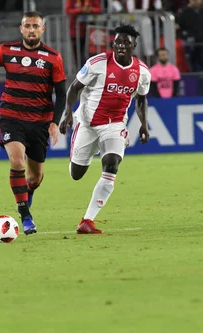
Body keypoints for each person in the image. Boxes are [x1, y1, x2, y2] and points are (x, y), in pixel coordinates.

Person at [0, 11, 67, 234]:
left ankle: (27, 193)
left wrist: (55, 122)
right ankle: (25, 215)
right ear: (21, 28)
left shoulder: (53, 57)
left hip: (39, 122)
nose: (32, 29)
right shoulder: (6, 50)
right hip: (11, 117)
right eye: (28, 25)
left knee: (35, 178)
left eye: (36, 26)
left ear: (42, 29)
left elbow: (61, 94)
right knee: (17, 161)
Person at [59, 25, 151, 234]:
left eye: (126, 43)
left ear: (134, 46)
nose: (120, 46)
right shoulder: (97, 63)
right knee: (76, 174)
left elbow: (141, 100)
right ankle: (86, 152)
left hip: (115, 124)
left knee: (111, 164)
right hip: (87, 123)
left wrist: (143, 124)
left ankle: (87, 221)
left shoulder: (142, 72)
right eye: (117, 42)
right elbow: (74, 88)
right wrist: (67, 113)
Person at [65, 0, 102, 68]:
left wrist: (90, 10)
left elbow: (99, 9)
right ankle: (80, 71)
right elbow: (68, 10)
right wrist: (81, 10)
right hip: (75, 30)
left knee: (92, 52)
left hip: (90, 30)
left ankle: (92, 70)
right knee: (77, 53)